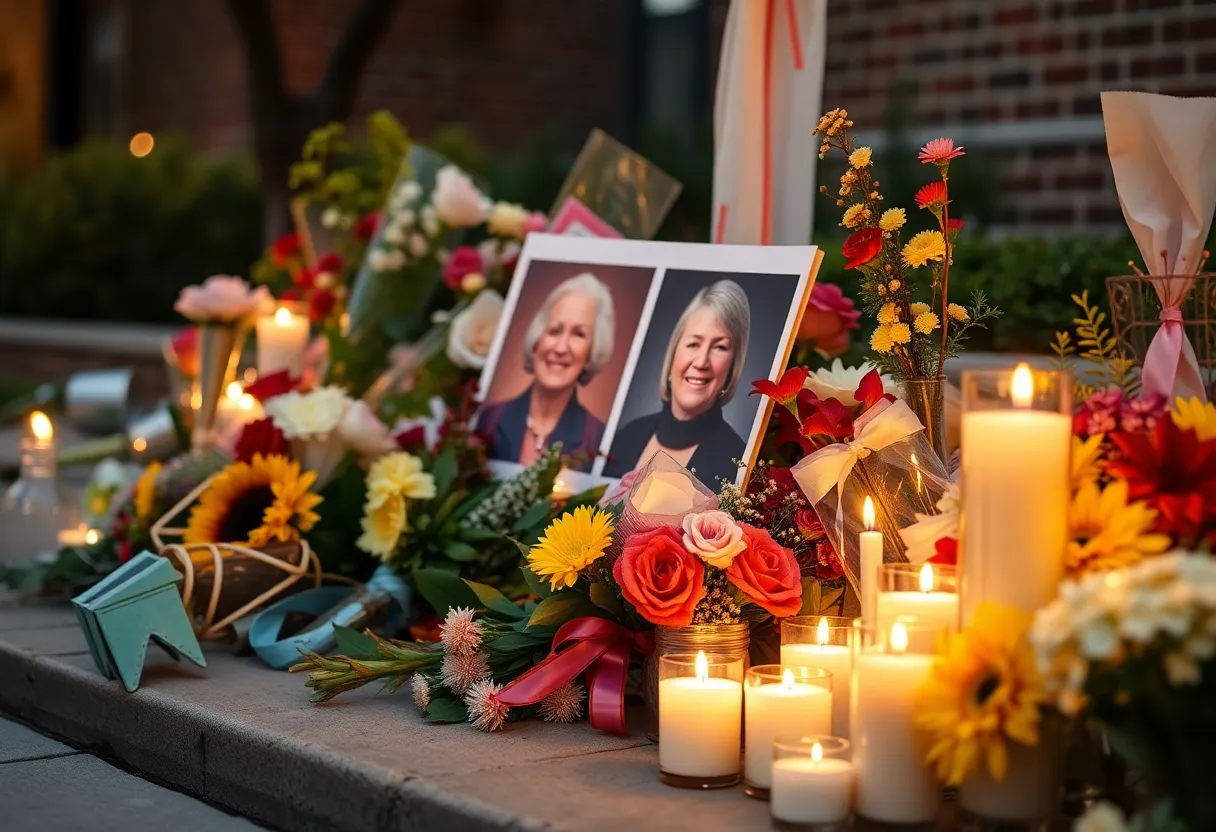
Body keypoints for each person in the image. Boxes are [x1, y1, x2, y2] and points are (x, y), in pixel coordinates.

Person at [605, 279, 750, 485]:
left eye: (720, 347)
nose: (701, 362)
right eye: (693, 344)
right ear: (673, 353)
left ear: (733, 367)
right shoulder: (628, 436)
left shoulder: (735, 462)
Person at [479, 273, 614, 472]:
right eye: (554, 331)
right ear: (537, 339)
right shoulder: (488, 420)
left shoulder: (598, 441)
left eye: (579, 334)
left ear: (592, 352)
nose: (561, 348)